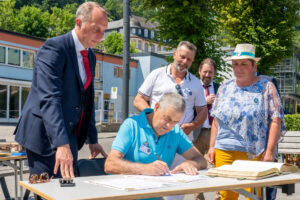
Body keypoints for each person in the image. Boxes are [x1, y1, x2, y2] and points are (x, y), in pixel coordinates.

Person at [14, 1, 108, 179]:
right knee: (50, 191)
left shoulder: (91, 56)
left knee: (68, 189)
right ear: (79, 23)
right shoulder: (54, 48)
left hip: (67, 135)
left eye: (104, 31)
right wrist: (61, 144)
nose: (101, 36)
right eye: (97, 29)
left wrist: (93, 139)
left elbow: (87, 99)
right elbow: (50, 98)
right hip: (43, 137)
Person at [207, 44, 285, 200]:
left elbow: (276, 119)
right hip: (224, 149)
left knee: (253, 196)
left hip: (253, 152)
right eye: (235, 64)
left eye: (244, 64)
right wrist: (211, 146)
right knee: (225, 196)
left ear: (254, 65)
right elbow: (216, 120)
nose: (238, 68)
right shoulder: (224, 87)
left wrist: (269, 152)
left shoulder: (266, 87)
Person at [105, 93, 207, 200]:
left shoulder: (176, 132)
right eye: (166, 118)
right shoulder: (132, 125)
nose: (169, 126)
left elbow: (200, 160)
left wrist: (190, 163)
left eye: (175, 122)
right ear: (156, 107)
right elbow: (110, 164)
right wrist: (145, 169)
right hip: (124, 196)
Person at [133, 41, 207, 172]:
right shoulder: (156, 74)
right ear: (174, 54)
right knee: (152, 177)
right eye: (182, 56)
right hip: (156, 136)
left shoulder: (196, 83)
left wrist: (193, 125)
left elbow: (202, 111)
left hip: (181, 141)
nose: (185, 61)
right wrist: (155, 117)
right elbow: (138, 99)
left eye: (189, 59)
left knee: (179, 184)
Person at [193, 58, 220, 200]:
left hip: (215, 134)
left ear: (214, 73)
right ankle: (199, 198)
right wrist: (204, 101)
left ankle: (219, 197)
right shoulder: (192, 86)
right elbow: (185, 108)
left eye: (210, 72)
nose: (207, 75)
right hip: (197, 133)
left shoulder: (220, 87)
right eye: (205, 71)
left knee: (218, 169)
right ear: (199, 71)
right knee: (195, 168)